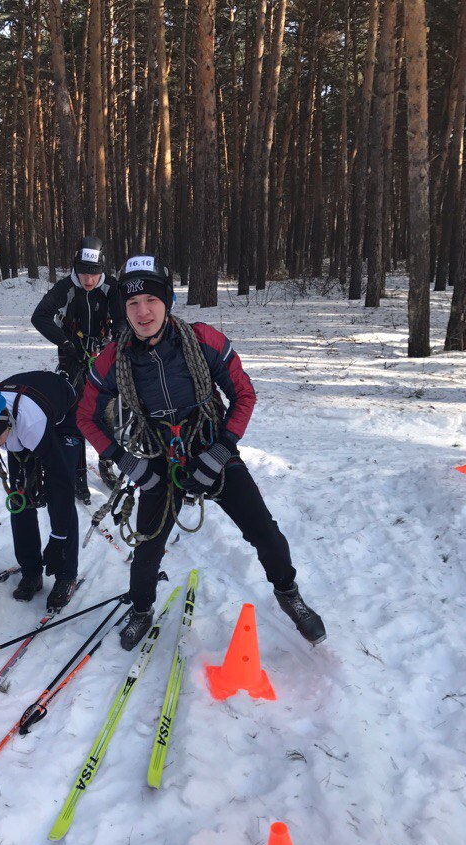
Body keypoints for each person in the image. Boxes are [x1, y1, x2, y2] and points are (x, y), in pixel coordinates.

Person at [77, 254, 326, 649]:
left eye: (151, 300)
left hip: (211, 444)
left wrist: (220, 451)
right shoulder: (112, 359)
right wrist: (129, 463)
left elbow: (243, 394)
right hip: (159, 457)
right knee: (147, 548)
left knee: (264, 531)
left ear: (167, 301)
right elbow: (86, 417)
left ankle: (289, 593)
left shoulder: (203, 340)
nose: (143, 312)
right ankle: (141, 609)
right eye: (132, 303)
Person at [0, 371, 82, 612]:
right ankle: (31, 570)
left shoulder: (31, 423)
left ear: (4, 422)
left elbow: (61, 482)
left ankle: (66, 575)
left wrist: (59, 539)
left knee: (57, 494)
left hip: (62, 417)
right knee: (20, 497)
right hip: (17, 424)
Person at [31, 236, 125, 503]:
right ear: (75, 268)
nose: (89, 279)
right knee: (73, 411)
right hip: (71, 352)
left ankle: (107, 461)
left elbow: (122, 319)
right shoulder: (65, 287)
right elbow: (39, 316)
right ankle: (76, 470)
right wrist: (65, 343)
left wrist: (115, 342)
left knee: (109, 409)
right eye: (83, 273)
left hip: (102, 354)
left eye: (94, 273)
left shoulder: (111, 287)